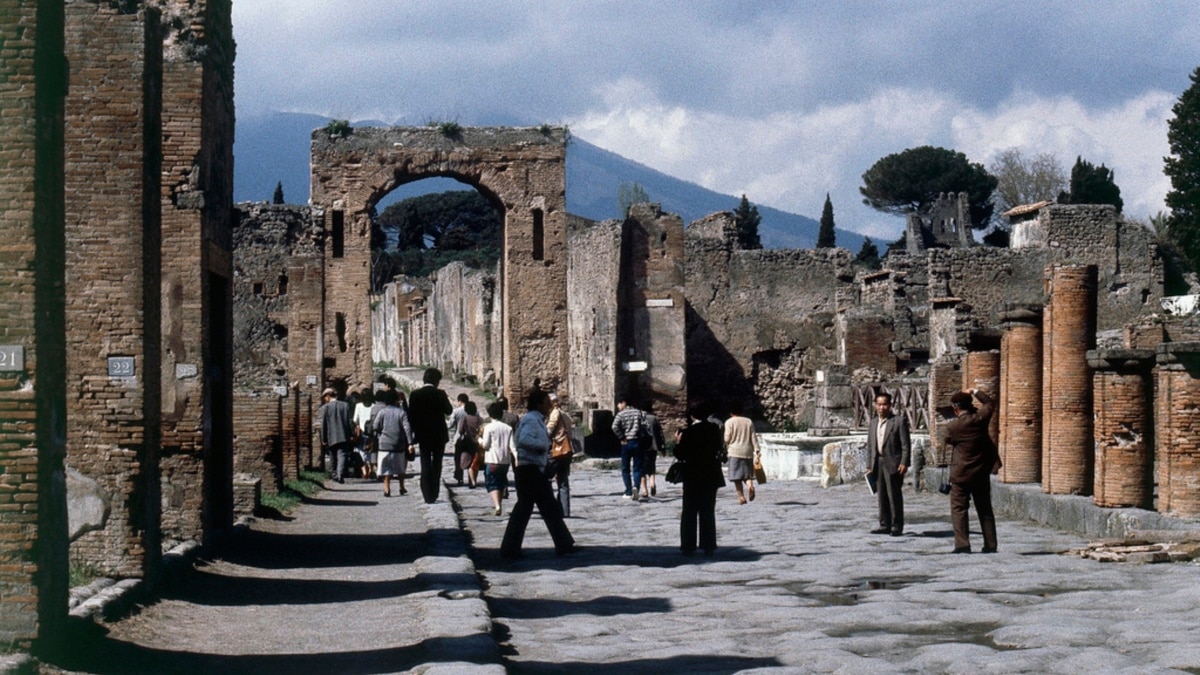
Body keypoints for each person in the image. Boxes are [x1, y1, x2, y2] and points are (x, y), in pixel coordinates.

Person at [500, 389, 577, 559]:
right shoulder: (531, 420)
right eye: (546, 401)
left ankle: (564, 544)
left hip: (535, 469)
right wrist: (542, 446)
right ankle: (510, 549)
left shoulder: (537, 420)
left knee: (546, 508)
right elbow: (524, 440)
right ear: (539, 403)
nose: (550, 405)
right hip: (530, 470)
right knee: (526, 509)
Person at [939, 388, 1001, 553]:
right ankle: (991, 544)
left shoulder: (953, 426)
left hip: (961, 475)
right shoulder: (981, 419)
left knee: (959, 509)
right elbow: (989, 403)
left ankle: (963, 544)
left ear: (956, 408)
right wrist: (974, 390)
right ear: (970, 405)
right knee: (985, 508)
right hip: (981, 472)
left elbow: (945, 440)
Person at [674, 404, 725, 555]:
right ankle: (708, 545)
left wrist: (677, 442)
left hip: (693, 475)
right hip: (710, 474)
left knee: (689, 511)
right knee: (708, 511)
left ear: (692, 416)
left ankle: (688, 546)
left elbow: (680, 454)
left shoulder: (688, 432)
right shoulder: (714, 430)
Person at [866, 392, 912, 536]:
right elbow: (870, 445)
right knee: (881, 495)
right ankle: (884, 524)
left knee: (894, 495)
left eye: (884, 404)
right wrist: (869, 464)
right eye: (879, 404)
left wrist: (904, 462)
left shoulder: (898, 421)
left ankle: (897, 525)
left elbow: (906, 444)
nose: (881, 407)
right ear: (875, 405)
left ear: (890, 405)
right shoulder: (873, 423)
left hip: (893, 462)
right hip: (877, 462)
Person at [407, 368, 453, 504]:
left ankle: (427, 494)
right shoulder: (440, 394)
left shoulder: (415, 394)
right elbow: (449, 411)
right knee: (437, 463)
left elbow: (411, 416)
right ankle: (435, 492)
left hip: (423, 434)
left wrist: (415, 431)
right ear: (437, 381)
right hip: (439, 434)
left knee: (425, 462)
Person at [372, 389, 414, 497]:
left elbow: (375, 426)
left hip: (384, 443)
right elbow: (407, 428)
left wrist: (381, 433)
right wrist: (410, 443)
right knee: (400, 466)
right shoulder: (401, 413)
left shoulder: (382, 412)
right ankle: (401, 486)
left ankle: (387, 488)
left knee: (386, 467)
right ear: (396, 400)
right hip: (398, 443)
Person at [480, 401, 515, 516]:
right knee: (501, 482)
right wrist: (516, 457)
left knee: (492, 483)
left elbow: (485, 445)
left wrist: (479, 440)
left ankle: (497, 505)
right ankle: (499, 504)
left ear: (490, 414)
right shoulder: (508, 428)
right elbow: (512, 446)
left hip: (492, 460)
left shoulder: (488, 428)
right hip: (505, 461)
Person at [723, 402, 761, 505]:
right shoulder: (748, 421)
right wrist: (757, 450)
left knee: (736, 477)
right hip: (747, 451)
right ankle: (750, 486)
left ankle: (741, 497)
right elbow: (753, 437)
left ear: (731, 412)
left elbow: (727, 438)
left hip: (734, 452)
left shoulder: (729, 422)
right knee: (747, 474)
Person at [612, 396, 648, 501]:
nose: (618, 406)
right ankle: (636, 486)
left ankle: (628, 490)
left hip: (626, 442)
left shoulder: (621, 414)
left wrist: (621, 437)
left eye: (619, 404)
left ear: (624, 402)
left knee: (625, 468)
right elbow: (645, 426)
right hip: (637, 442)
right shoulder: (639, 413)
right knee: (637, 468)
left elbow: (614, 426)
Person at [318, 387, 355, 483]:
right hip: (343, 435)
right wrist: (351, 434)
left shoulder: (325, 408)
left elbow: (324, 424)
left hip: (331, 436)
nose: (324, 400)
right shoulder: (345, 405)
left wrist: (323, 437)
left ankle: (334, 474)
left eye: (324, 397)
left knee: (332, 455)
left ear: (328, 396)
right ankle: (340, 474)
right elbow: (349, 421)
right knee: (342, 454)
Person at [546, 393, 574, 516]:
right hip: (566, 451)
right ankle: (565, 510)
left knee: (546, 478)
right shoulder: (564, 414)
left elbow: (549, 430)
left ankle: (549, 507)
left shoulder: (555, 413)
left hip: (556, 450)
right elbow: (570, 425)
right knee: (563, 481)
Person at [640, 403, 666, 499]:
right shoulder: (655, 418)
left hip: (642, 446)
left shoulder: (640, 419)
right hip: (653, 446)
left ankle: (644, 490)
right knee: (651, 465)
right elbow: (660, 433)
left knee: (642, 468)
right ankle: (652, 483)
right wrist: (663, 447)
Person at [456, 400, 483, 488]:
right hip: (478, 443)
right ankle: (473, 480)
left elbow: (460, 431)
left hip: (467, 442)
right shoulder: (480, 419)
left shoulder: (465, 418)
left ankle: (471, 481)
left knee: (468, 462)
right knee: (476, 462)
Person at [352, 387, 376, 479]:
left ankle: (364, 470)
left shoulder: (358, 406)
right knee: (371, 451)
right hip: (371, 432)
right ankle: (371, 469)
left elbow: (355, 420)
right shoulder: (374, 406)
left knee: (362, 452)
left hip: (361, 433)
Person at [449, 393, 470, 485]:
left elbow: (450, 425)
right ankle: (471, 478)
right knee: (470, 458)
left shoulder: (456, 411)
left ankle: (459, 478)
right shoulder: (474, 411)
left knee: (458, 459)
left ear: (460, 401)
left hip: (459, 438)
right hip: (471, 438)